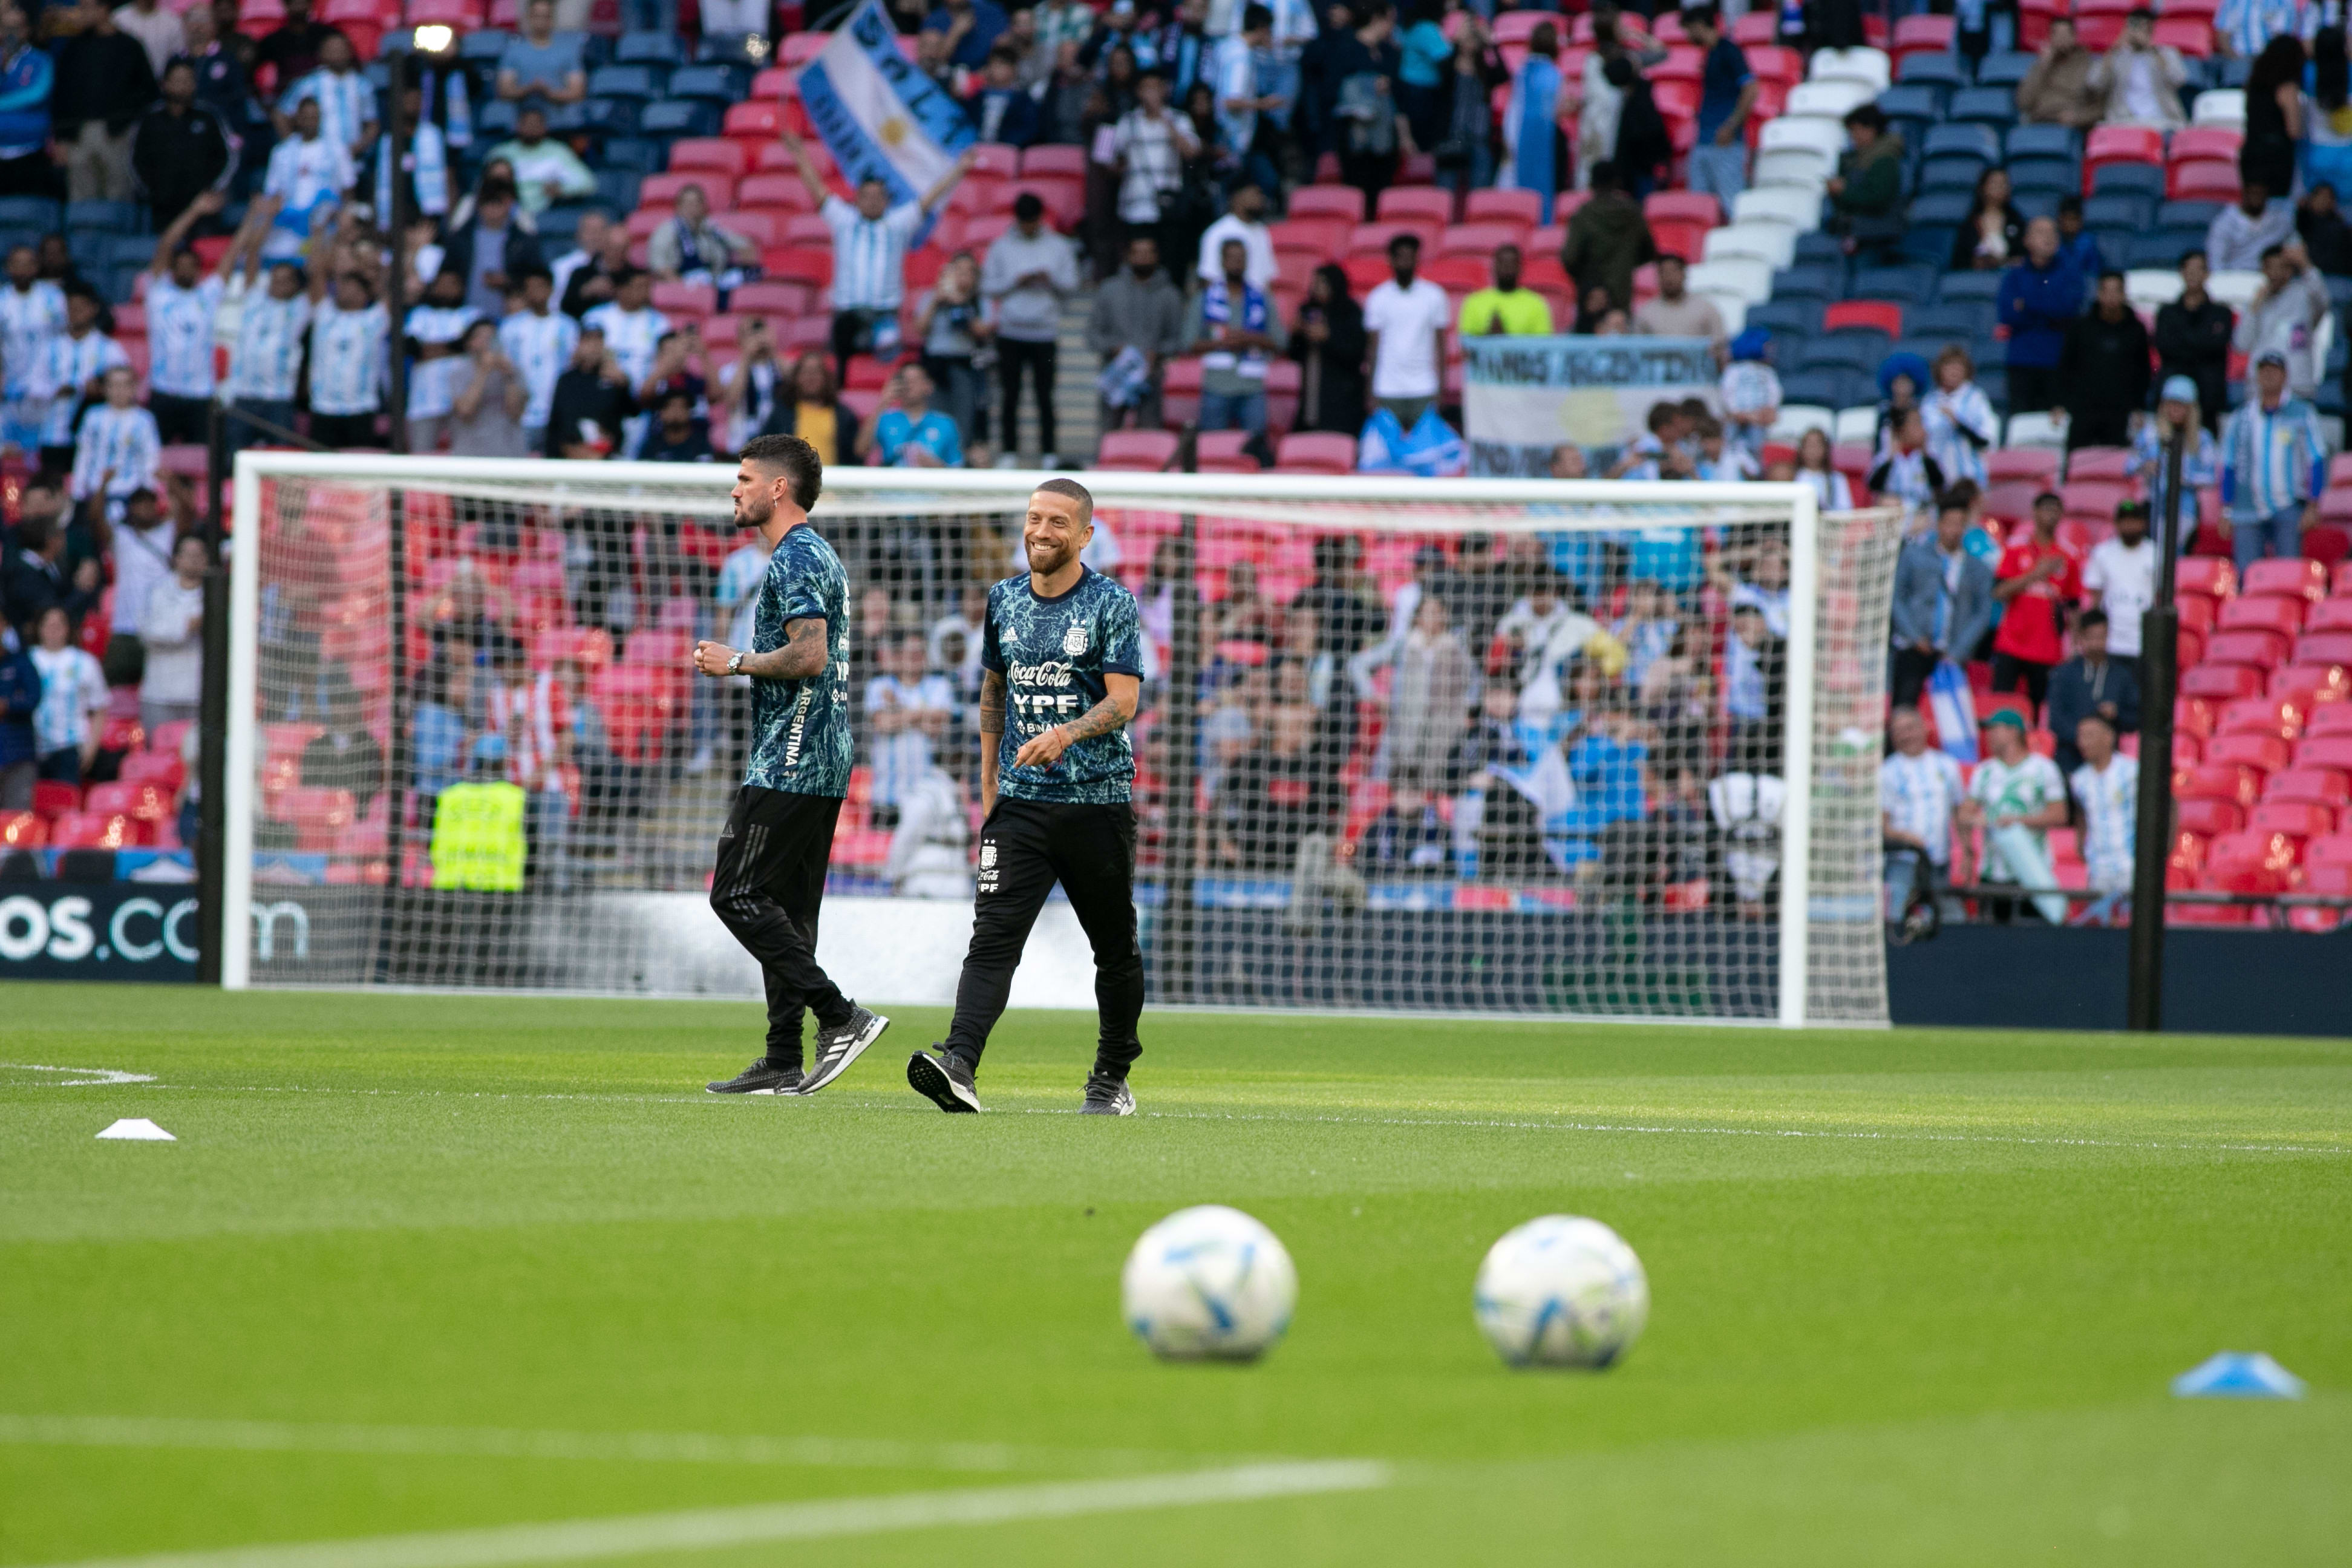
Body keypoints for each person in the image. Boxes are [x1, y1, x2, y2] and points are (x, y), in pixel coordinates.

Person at [907, 478, 1145, 1117]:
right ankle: (959, 1062)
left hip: (1096, 804)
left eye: (1058, 522)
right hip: (1018, 808)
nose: (1041, 531)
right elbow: (993, 693)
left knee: (1114, 947)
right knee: (992, 938)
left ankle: (1111, 1074)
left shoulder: (1110, 604)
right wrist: (988, 784)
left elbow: (1125, 700)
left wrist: (1065, 734)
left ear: (1085, 535)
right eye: (1035, 518)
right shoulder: (1003, 601)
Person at [693, 434, 890, 1097]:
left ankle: (841, 1017)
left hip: (793, 759)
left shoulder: (796, 558)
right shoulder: (811, 555)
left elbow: (810, 656)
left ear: (778, 489)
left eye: (746, 478)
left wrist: (737, 662)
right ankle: (782, 1055)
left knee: (736, 892)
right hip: (822, 755)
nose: (735, 489)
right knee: (786, 911)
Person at [786, 128, 976, 384]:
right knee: (837, 372)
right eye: (867, 196)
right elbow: (816, 189)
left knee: (886, 371)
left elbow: (930, 199)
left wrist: (959, 170)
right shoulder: (844, 220)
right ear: (857, 198)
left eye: (879, 196)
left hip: (884, 315)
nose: (873, 202)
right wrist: (799, 154)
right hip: (847, 314)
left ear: (888, 200)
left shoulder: (898, 224)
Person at [983, 190, 1080, 462]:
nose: (1028, 227)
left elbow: (1072, 286)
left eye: (1032, 221)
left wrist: (1050, 280)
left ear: (1040, 218)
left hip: (1044, 330)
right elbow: (988, 287)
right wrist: (1016, 281)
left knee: (1045, 395)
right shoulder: (1001, 247)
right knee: (1010, 395)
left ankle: (1049, 452)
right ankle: (1009, 452)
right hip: (1010, 331)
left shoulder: (1059, 246)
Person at [2220, 348, 2327, 573]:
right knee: (2247, 575)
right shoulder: (2242, 418)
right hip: (2247, 507)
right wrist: (2226, 510)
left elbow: (2317, 460)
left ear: (2285, 376)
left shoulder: (2301, 413)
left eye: (2274, 371)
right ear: (2257, 376)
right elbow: (2229, 465)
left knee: (2288, 572)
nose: (2269, 376)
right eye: (2264, 371)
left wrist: (2313, 506)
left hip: (2287, 505)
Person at [1961, 707, 2070, 923]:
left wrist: (2017, 822)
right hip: (1993, 870)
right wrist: (1980, 821)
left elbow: (2060, 815)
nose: (1989, 736)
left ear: (2014, 732)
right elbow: (1965, 813)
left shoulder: (2043, 769)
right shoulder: (1984, 771)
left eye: (1995, 729)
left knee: (2032, 934)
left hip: (2031, 867)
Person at [1890, 492, 1996, 709]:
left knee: (1950, 716)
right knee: (1904, 708)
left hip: (1953, 652)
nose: (1954, 530)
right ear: (1938, 524)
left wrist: (1959, 650)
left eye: (1960, 524)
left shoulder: (1978, 568)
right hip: (1914, 646)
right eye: (1949, 523)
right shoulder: (1914, 555)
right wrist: (1914, 635)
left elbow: (1982, 613)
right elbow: (1897, 598)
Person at [139, 193, 229, 445]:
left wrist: (256, 216)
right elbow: (166, 243)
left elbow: (231, 257)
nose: (186, 270)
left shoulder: (209, 294)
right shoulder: (158, 293)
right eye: (181, 265)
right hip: (163, 392)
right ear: (172, 269)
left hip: (201, 395)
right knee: (155, 459)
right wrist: (195, 211)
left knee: (204, 461)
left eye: (192, 265)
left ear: (200, 270)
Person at [52, 0, 157, 204]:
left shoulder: (129, 46)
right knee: (81, 196)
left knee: (118, 193)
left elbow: (148, 91)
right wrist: (61, 137)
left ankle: (119, 237)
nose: (80, 13)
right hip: (77, 134)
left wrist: (125, 122)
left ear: (103, 9)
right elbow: (62, 93)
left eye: (86, 8)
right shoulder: (74, 47)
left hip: (117, 134)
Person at [1991, 490, 2081, 711]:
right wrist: (2035, 574)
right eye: (2046, 509)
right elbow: (1999, 592)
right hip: (2011, 641)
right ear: (2035, 513)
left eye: (2056, 510)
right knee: (2001, 704)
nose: (2051, 515)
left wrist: (2075, 644)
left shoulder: (2068, 555)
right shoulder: (2015, 548)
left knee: (2037, 708)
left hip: (2047, 647)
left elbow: (2074, 604)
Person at [1187, 234, 1284, 438]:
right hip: (1216, 386)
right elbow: (1187, 342)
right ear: (1222, 261)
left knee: (1254, 448)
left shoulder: (1262, 298)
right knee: (1212, 449)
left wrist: (1250, 339)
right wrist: (1220, 343)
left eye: (1241, 258)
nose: (1237, 263)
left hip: (1252, 386)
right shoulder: (1205, 299)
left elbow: (1281, 341)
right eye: (1231, 257)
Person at [1088, 232, 1184, 433]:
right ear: (1128, 256)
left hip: (1151, 376)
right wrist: (1115, 348)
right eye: (1137, 253)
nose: (1143, 258)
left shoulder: (1170, 294)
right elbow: (1092, 335)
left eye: (1148, 253)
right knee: (1109, 434)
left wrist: (1156, 352)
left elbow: (1178, 340)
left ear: (1157, 256)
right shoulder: (1109, 290)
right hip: (1116, 375)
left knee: (1149, 435)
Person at [1880, 705, 1965, 930]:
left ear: (1924, 728)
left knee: (1953, 920)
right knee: (1896, 917)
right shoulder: (1886, 772)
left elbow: (1961, 813)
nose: (1906, 735)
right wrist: (1906, 838)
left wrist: (1967, 854)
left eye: (1910, 728)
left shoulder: (1947, 765)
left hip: (1940, 861)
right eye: (1898, 731)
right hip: (1902, 860)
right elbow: (1882, 824)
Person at [33, 284, 126, 479]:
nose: (76, 313)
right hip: (54, 433)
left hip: (95, 436)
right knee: (53, 487)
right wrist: (56, 390)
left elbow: (125, 383)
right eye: (71, 308)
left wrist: (100, 389)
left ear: (93, 309)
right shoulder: (50, 348)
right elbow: (34, 387)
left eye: (81, 308)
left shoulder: (109, 349)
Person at [2053, 269, 2152, 450]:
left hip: (2119, 411)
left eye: (2117, 291)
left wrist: (2139, 406)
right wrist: (2061, 402)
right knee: (2077, 460)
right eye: (2107, 291)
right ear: (2099, 294)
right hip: (2084, 409)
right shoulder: (2081, 328)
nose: (2112, 297)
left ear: (2124, 294)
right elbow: (2066, 367)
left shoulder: (2136, 330)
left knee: (2114, 463)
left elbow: (2143, 371)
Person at [131, 59, 232, 232]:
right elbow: (135, 160)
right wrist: (152, 192)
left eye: (188, 80)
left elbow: (229, 156)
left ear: (194, 84)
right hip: (162, 207)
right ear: (165, 84)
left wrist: (214, 189)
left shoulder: (209, 116)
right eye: (177, 81)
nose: (183, 86)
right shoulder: (150, 120)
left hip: (203, 207)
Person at [1111, 68, 1198, 266]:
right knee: (1140, 264)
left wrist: (1166, 121)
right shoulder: (1128, 122)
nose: (1151, 94)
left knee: (1170, 261)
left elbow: (1191, 152)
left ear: (1164, 91)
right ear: (1139, 92)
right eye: (1146, 89)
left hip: (1168, 206)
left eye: (1155, 88)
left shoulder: (1179, 119)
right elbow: (1114, 160)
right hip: (1136, 206)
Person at [1363, 232, 1449, 428]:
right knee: (1389, 456)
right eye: (1401, 257)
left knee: (1424, 455)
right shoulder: (1378, 298)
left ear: (1418, 259)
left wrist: (1441, 389)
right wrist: (1370, 392)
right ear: (1391, 260)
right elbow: (1372, 348)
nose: (1406, 262)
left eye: (1411, 257)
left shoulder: (1434, 296)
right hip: (1387, 389)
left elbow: (1441, 346)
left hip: (1424, 388)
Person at [1997, 217, 2080, 414]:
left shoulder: (2071, 273)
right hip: (2022, 363)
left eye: (2053, 233)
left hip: (2058, 362)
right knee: (2021, 424)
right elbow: (2008, 315)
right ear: (2027, 240)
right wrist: (2048, 305)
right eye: (2041, 232)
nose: (2049, 238)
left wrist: (2028, 304)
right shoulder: (2014, 276)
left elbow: (2067, 309)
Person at [2045, 607, 2140, 780]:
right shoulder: (2064, 674)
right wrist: (2086, 740)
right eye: (2091, 637)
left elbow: (2136, 718)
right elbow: (2056, 720)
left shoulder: (2122, 675)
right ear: (2081, 638)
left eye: (2101, 637)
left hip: (2109, 765)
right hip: (2069, 762)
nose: (2097, 643)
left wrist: (2117, 713)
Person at [2122, 387, 2219, 555]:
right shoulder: (2149, 434)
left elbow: (2211, 477)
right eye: (2171, 404)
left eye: (2180, 405)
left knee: (2179, 552)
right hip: (2154, 502)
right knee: (2154, 551)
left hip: (2186, 507)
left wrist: (2185, 477)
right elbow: (2129, 466)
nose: (2175, 410)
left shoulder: (2202, 438)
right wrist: (2145, 465)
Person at [260, 97, 355, 261]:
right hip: (288, 224)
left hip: (326, 224)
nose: (310, 122)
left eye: (314, 117)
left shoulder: (337, 150)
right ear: (297, 119)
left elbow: (348, 191)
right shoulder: (281, 152)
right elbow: (272, 192)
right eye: (306, 117)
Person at [2233, 240, 2330, 399]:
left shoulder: (2303, 296)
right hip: (2261, 391)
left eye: (2282, 267)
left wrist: (2305, 265)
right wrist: (2253, 310)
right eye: (2270, 267)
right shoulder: (2256, 301)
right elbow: (2241, 344)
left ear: (2290, 270)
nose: (2275, 273)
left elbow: (2323, 300)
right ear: (2263, 270)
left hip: (2297, 386)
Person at [497, 266, 576, 456]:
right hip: (520, 414)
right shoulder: (510, 327)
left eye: (540, 286)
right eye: (530, 288)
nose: (535, 293)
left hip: (555, 412)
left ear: (551, 289)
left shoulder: (568, 326)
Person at [306, 267, 388, 451]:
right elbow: (317, 273)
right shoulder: (324, 315)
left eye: (352, 288)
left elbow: (393, 291)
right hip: (323, 407)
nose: (345, 291)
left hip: (361, 407)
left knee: (359, 467)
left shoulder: (374, 319)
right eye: (342, 287)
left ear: (365, 294)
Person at [26, 602, 108, 783]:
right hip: (31, 746)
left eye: (59, 624)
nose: (53, 629)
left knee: (65, 802)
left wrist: (91, 748)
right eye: (48, 624)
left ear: (68, 628)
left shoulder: (85, 662)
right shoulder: (26, 660)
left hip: (70, 746)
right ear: (39, 628)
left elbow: (100, 709)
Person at [1561, 160, 1657, 313]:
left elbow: (1570, 258)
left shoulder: (1584, 215)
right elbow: (1650, 251)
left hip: (1590, 297)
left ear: (1591, 183)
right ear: (1617, 182)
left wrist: (1584, 280)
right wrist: (1627, 264)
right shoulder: (1633, 213)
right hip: (1622, 294)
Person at [439, 181, 544, 321]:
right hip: (466, 318)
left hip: (512, 318)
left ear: (509, 205)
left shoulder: (524, 241)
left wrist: (510, 282)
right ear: (479, 206)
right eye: (489, 203)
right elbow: (448, 275)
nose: (493, 209)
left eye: (498, 203)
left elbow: (537, 279)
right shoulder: (461, 239)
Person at [2155, 250, 2234, 430]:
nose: (2193, 275)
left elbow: (2217, 346)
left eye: (2199, 270)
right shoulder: (2167, 313)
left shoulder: (2222, 313)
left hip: (2208, 398)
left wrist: (2184, 340)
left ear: (2207, 274)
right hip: (2172, 401)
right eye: (2189, 270)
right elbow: (2166, 347)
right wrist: (2202, 342)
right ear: (2181, 273)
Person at [2069, 711, 2138, 916]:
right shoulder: (2079, 779)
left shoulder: (2132, 771)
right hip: (2098, 866)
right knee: (2103, 925)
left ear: (2109, 737)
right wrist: (2081, 841)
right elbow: (2081, 812)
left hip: (2131, 863)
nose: (2083, 742)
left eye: (2089, 735)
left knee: (2134, 925)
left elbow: (2169, 804)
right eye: (2080, 736)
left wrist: (2163, 848)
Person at [137, 531, 206, 735]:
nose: (194, 559)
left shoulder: (218, 593)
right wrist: (188, 626)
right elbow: (148, 632)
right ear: (177, 558)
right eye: (188, 554)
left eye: (200, 554)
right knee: (158, 755)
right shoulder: (156, 591)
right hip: (160, 692)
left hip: (198, 693)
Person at [1685, 5, 1754, 206]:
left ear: (1699, 26)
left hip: (1725, 141)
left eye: (1689, 29)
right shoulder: (1711, 54)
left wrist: (1731, 126)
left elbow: (1752, 89)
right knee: (1698, 206)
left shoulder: (1729, 51)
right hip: (1705, 138)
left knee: (1731, 203)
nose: (1688, 36)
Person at [1434, 11, 1506, 206]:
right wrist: (1457, 41)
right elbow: (1442, 76)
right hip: (1452, 135)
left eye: (1473, 40)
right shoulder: (1449, 66)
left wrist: (1492, 43)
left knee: (1480, 192)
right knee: (1445, 192)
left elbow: (1503, 74)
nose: (1470, 44)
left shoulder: (1484, 69)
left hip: (1480, 136)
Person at [68, 365, 159, 517]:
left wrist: (146, 494)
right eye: (114, 385)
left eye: (125, 385)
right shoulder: (92, 417)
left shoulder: (144, 420)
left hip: (130, 497)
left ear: (134, 388)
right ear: (105, 388)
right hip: (94, 494)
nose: (119, 391)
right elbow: (84, 455)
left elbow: (150, 458)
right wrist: (77, 492)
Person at [1289, 261, 1368, 433]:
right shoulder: (1307, 310)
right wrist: (1296, 334)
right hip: (1311, 396)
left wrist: (1329, 337)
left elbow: (1356, 354)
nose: (1316, 287)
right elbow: (1294, 354)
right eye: (1314, 282)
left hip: (1342, 401)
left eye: (1321, 282)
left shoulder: (1350, 313)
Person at [1499, 19, 1563, 221]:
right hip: (1541, 137)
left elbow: (1513, 110)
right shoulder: (1553, 74)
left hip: (1519, 135)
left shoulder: (1523, 71)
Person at [280, 29, 373, 161]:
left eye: (341, 50)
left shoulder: (363, 85)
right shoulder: (308, 84)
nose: (337, 54)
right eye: (332, 50)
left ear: (350, 52)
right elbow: (281, 114)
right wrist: (295, 147)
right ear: (321, 53)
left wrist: (358, 148)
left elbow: (372, 123)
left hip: (354, 159)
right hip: (316, 160)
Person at [2089, 7, 2189, 129]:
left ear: (2151, 29)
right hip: (2123, 121)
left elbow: (2179, 80)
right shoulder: (2119, 56)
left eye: (2141, 27)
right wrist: (2113, 50)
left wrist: (2151, 48)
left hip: (2162, 120)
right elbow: (2094, 84)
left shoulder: (2166, 53)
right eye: (2133, 26)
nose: (2136, 31)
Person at [1825, 103, 1905, 255]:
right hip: (1855, 234)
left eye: (1856, 130)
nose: (1853, 136)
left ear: (1871, 130)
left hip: (1877, 238)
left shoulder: (1885, 159)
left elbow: (1878, 199)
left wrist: (1844, 190)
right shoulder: (1852, 159)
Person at [543, 325, 633, 459]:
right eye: (588, 340)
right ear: (579, 345)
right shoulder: (567, 379)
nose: (594, 347)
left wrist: (624, 386)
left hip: (605, 456)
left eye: (598, 341)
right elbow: (556, 421)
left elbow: (633, 412)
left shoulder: (615, 378)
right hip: (569, 455)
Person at [446, 319, 531, 459]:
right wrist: (483, 372)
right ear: (470, 343)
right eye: (481, 337)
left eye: (492, 337)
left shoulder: (513, 371)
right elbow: (465, 410)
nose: (487, 341)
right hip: (471, 455)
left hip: (510, 453)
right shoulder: (458, 373)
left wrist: (509, 377)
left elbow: (516, 413)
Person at [1919, 346, 1999, 489]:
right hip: (1936, 479)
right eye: (1949, 365)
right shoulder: (1930, 402)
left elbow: (1986, 441)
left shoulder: (1976, 398)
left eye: (1959, 366)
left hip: (1969, 478)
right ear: (1940, 369)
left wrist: (1958, 423)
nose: (1954, 370)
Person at [860, 362, 965, 468]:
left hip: (930, 483)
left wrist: (936, 467)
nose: (909, 385)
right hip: (893, 482)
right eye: (904, 381)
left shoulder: (945, 423)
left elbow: (957, 468)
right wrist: (883, 403)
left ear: (929, 386)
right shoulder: (886, 418)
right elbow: (861, 450)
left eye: (914, 380)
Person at [757, 350, 852, 466]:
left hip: (833, 481)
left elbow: (854, 456)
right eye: (805, 372)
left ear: (826, 377)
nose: (811, 377)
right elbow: (763, 450)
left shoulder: (844, 416)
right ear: (796, 377)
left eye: (816, 372)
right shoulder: (781, 413)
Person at [2236, 31, 2304, 189]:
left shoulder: (2253, 84)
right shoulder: (2287, 88)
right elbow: (2294, 130)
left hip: (2252, 152)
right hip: (2276, 157)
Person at [0, 6, 54, 201]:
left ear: (27, 30)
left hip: (30, 152)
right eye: (6, 28)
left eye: (17, 28)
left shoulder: (41, 60)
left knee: (29, 212)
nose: (12, 34)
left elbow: (36, 94)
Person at [496, 0, 587, 107]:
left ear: (552, 19)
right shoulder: (513, 51)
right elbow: (504, 91)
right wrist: (529, 89)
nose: (541, 21)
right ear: (529, 17)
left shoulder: (568, 51)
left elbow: (577, 92)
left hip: (560, 116)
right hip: (522, 116)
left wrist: (550, 94)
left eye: (546, 16)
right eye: (537, 16)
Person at [2017, 15, 2102, 127]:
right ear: (2050, 37)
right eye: (2057, 35)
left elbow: (2101, 107)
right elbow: (2023, 102)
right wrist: (2043, 66)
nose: (2061, 39)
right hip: (2040, 120)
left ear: (2074, 37)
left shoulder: (2088, 64)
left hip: (2071, 124)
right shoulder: (2042, 64)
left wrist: (2078, 118)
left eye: (2065, 35)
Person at [1192, 180, 1275, 290]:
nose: (1260, 198)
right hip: (1226, 302)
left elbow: (1267, 278)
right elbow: (1209, 278)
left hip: (1256, 303)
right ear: (1237, 197)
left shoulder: (1262, 231)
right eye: (1254, 193)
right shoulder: (1217, 232)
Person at [1632, 252, 1725, 347]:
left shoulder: (1706, 310)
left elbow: (1720, 347)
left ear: (1684, 274)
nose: (1669, 277)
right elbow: (1637, 350)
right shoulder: (1646, 313)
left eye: (1674, 271)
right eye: (1663, 272)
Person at [1459, 244, 1552, 336]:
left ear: (1521, 268)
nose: (1507, 268)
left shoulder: (1536, 303)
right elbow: (1466, 346)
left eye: (1512, 264)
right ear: (1493, 267)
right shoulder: (1474, 302)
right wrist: (1489, 338)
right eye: (1502, 263)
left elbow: (1542, 346)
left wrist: (1505, 342)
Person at [2206, 177, 2296, 272]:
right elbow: (2216, 262)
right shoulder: (2224, 223)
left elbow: (2294, 249)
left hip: (2273, 277)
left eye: (2261, 193)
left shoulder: (2280, 220)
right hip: (2236, 277)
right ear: (2244, 193)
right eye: (2253, 193)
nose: (2257, 198)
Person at [1718, 329, 1779, 457]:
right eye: (1767, 345)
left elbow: (1774, 392)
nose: (1771, 349)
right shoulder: (1733, 371)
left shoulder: (1767, 372)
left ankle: (1755, 467)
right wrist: (1736, 412)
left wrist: (1769, 409)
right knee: (1729, 440)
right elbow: (1728, 392)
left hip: (1759, 418)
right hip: (1736, 417)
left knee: (1757, 443)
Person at [1953, 168, 2027, 272]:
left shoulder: (2017, 221)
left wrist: (2002, 262)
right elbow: (1959, 260)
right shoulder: (1970, 224)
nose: (2000, 187)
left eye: (2004, 183)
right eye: (1995, 183)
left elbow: (2023, 258)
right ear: (1983, 187)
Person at [970, 44, 1040, 146]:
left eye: (1001, 65)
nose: (995, 69)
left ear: (1013, 68)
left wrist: (1006, 146)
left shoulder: (1023, 100)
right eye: (992, 64)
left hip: (1008, 151)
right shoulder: (976, 97)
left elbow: (1029, 129)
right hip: (975, 149)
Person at [2213, 0, 2301, 60]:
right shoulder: (2233, 2)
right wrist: (2234, 57)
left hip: (2271, 58)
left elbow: (2283, 38)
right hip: (2239, 58)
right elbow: (2223, 37)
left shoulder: (2283, 2)